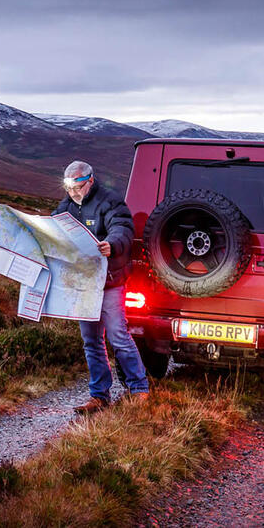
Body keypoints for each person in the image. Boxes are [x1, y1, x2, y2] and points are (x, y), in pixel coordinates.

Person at [54, 160, 150, 412]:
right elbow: (54, 228)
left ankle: (139, 389)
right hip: (84, 283)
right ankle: (99, 395)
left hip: (110, 281)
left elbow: (123, 227)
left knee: (118, 336)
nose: (73, 192)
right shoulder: (66, 206)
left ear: (90, 181)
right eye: (68, 188)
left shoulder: (110, 201)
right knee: (92, 341)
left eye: (78, 187)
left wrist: (112, 244)